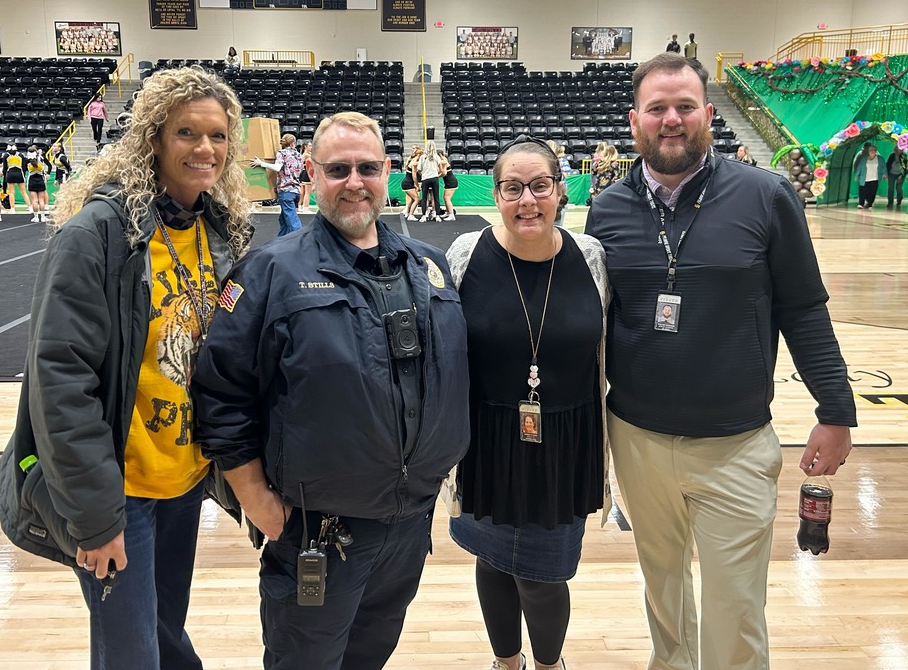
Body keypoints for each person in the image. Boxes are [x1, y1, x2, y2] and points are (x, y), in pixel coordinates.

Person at [585, 53, 855, 670]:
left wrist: (835, 410)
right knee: (664, 593)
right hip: (636, 437)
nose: (671, 120)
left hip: (734, 443)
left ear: (709, 114)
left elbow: (805, 309)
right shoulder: (607, 210)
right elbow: (594, 324)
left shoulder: (766, 195)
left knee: (735, 610)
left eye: (684, 107)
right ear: (635, 121)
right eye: (657, 108)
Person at [0, 66, 254, 670]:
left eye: (218, 135)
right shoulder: (97, 235)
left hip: (183, 483)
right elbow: (60, 382)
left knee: (161, 633)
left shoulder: (220, 232)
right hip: (118, 492)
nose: (205, 148)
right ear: (154, 138)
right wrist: (94, 516)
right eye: (187, 132)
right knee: (132, 654)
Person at [190, 111, 470, 670]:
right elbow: (219, 392)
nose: (354, 182)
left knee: (370, 657)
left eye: (367, 168)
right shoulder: (269, 272)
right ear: (311, 175)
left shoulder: (429, 266)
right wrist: (254, 499)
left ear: (388, 171)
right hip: (317, 531)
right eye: (338, 169)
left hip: (408, 526)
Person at [444, 134, 609, 670]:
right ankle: (506, 662)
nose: (527, 200)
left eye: (540, 185)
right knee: (492, 561)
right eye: (512, 187)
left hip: (565, 442)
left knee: (542, 574)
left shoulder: (591, 257)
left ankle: (548, 665)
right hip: (486, 442)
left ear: (561, 190)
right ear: (495, 194)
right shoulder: (465, 255)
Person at [251, 132, 303, 236]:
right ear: (293, 143)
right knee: (284, 219)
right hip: (296, 191)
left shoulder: (282, 153)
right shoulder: (299, 155)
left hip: (285, 191)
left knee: (292, 221)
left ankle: (301, 240)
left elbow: (278, 167)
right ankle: (280, 241)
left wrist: (261, 163)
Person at [414, 141, 444, 221]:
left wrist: (423, 174)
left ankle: (424, 215)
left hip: (425, 179)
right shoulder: (436, 157)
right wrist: (436, 173)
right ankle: (437, 215)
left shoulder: (423, 157)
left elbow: (419, 169)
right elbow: (441, 169)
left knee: (424, 198)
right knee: (436, 197)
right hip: (434, 178)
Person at [853, 142, 886, 209]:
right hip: (864, 178)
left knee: (872, 192)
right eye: (870, 151)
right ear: (868, 151)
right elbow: (859, 167)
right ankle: (861, 203)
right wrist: (856, 175)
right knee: (862, 191)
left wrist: (885, 174)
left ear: (875, 151)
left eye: (873, 151)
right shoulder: (863, 159)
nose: (872, 152)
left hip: (875, 178)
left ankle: (870, 204)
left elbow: (883, 167)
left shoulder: (880, 159)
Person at [2, 143, 30, 213]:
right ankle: (30, 206)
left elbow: (5, 168)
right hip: (19, 173)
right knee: (23, 192)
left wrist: (5, 177)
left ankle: (12, 209)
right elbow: (24, 167)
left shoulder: (6, 155)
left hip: (10, 173)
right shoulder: (20, 155)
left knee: (11, 192)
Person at [25, 145, 50, 223]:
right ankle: (42, 217)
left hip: (32, 180)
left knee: (34, 200)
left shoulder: (27, 160)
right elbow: (49, 165)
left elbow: (24, 168)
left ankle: (36, 217)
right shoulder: (41, 159)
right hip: (40, 180)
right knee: (41, 200)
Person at [438, 147, 459, 221]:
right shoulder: (444, 159)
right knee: (445, 198)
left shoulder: (443, 161)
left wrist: (437, 176)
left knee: (447, 198)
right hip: (448, 182)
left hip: (451, 182)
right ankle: (447, 212)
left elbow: (444, 173)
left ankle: (451, 215)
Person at [401, 145, 422, 218]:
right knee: (417, 199)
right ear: (419, 155)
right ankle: (411, 215)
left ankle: (407, 212)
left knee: (413, 199)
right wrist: (417, 185)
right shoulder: (414, 163)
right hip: (408, 183)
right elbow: (414, 176)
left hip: (407, 182)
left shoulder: (412, 160)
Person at [885, 144, 907, 210]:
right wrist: (886, 174)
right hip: (892, 173)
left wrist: (902, 175)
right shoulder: (892, 156)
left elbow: (906, 167)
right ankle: (890, 202)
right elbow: (888, 165)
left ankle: (899, 200)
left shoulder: (904, 157)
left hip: (900, 174)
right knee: (890, 188)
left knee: (899, 188)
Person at [297, 141, 314, 213]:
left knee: (303, 192)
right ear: (305, 147)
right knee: (308, 192)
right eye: (310, 146)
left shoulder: (307, 154)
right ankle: (305, 208)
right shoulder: (306, 155)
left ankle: (300, 206)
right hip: (306, 173)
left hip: (304, 172)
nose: (311, 147)